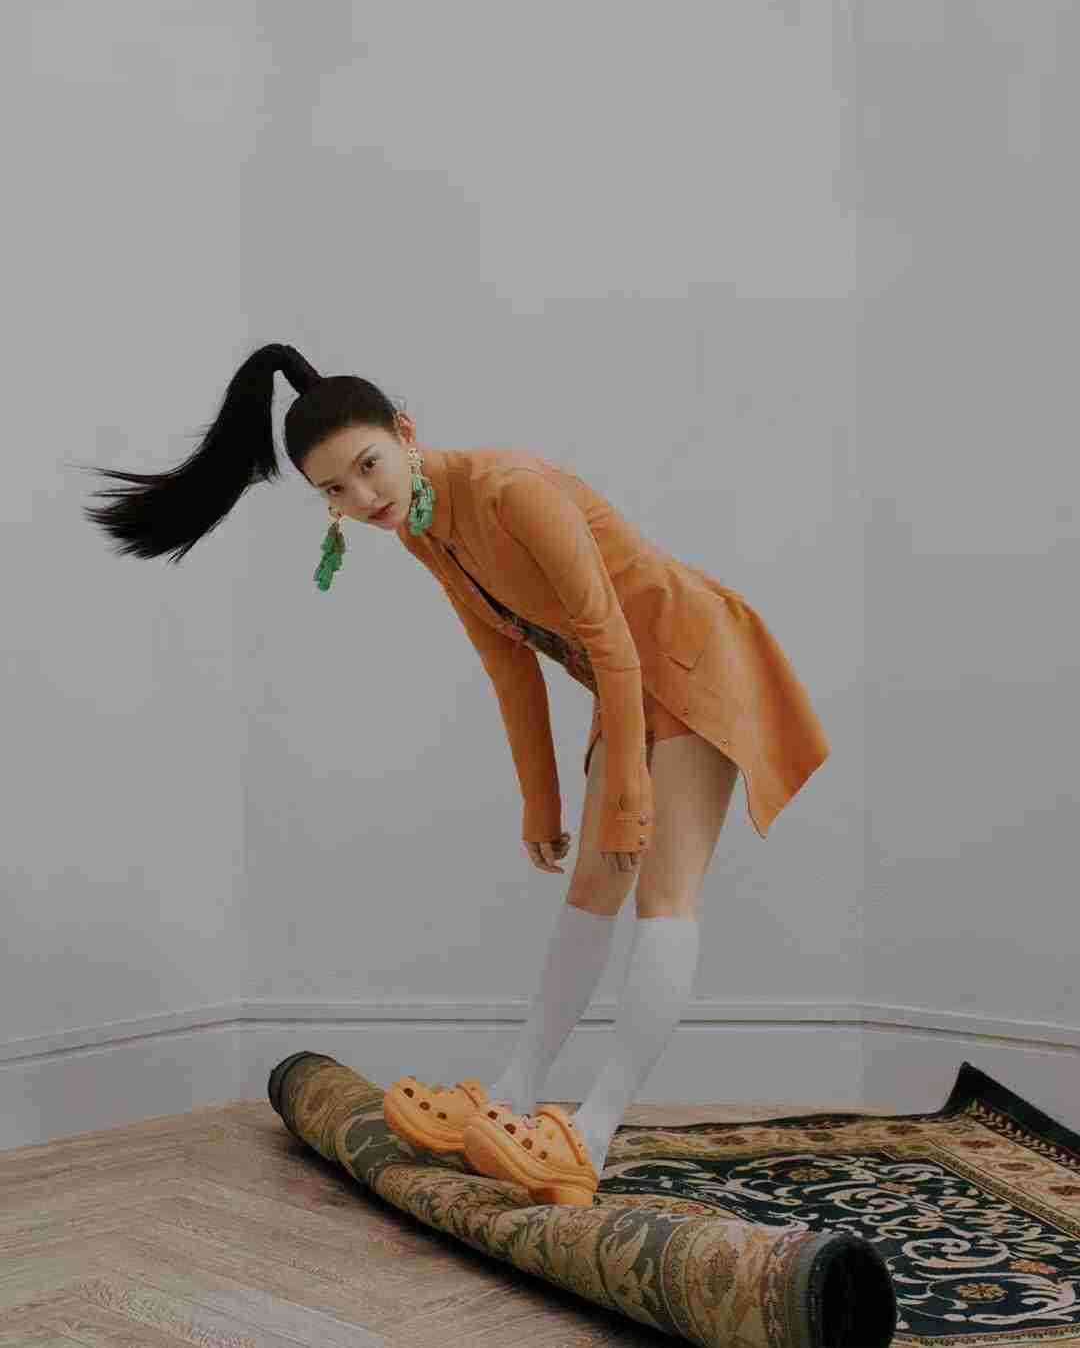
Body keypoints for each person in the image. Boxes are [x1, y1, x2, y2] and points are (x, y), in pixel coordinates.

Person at [80, 341, 830, 1208]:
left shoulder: (509, 491)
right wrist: (541, 802)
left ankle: (588, 1136)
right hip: (625, 684)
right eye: (334, 490)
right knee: (593, 887)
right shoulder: (422, 530)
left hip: (691, 660)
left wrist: (625, 782)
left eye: (368, 466)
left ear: (405, 432)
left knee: (663, 896)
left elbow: (609, 637)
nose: (363, 499)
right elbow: (509, 665)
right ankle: (512, 1095)